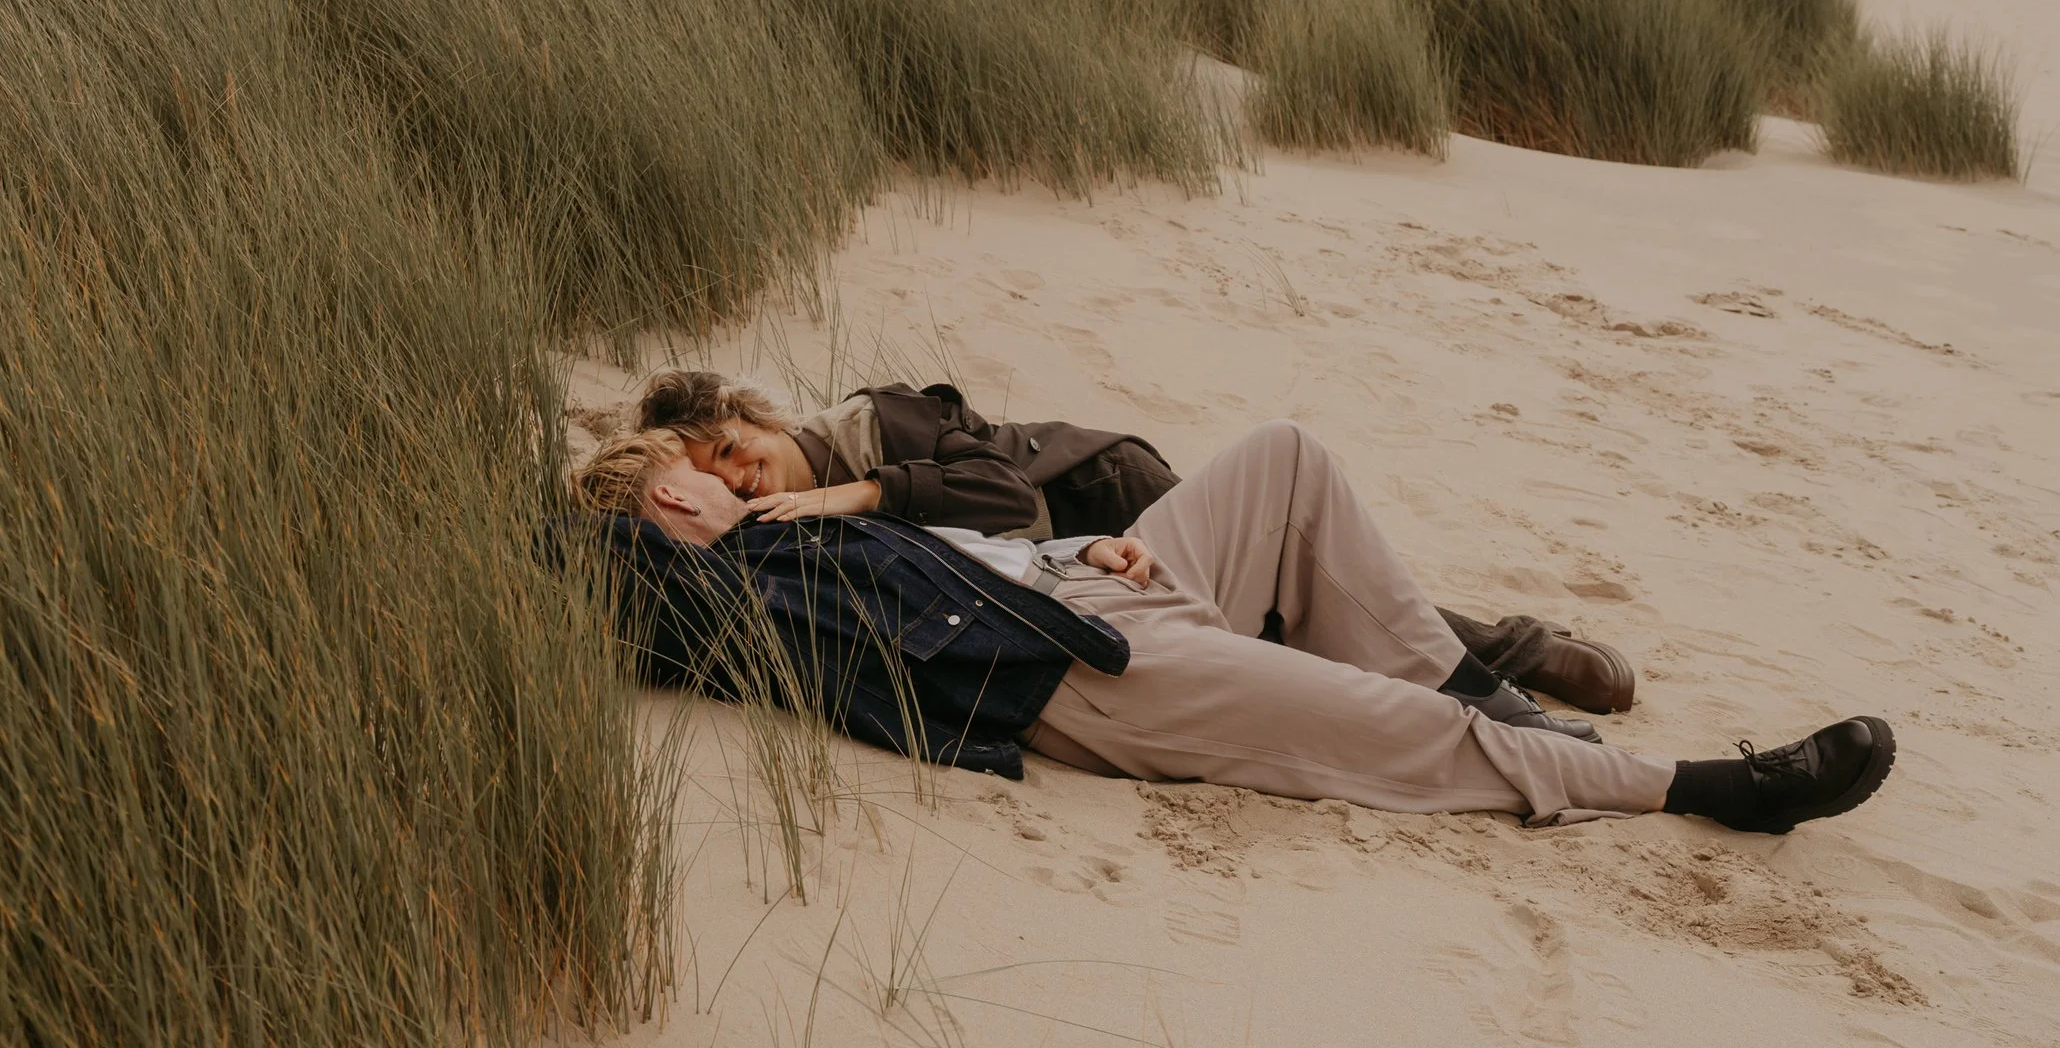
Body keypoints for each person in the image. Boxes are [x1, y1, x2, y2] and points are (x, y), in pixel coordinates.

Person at [564, 422, 1896, 834]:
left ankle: (1492, 688)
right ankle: (1710, 787)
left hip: (1079, 584)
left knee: (1288, 460)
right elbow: (583, 562)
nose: (705, 478)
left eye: (701, 466)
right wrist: (676, 523)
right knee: (1385, 732)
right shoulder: (705, 589)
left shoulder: (805, 523)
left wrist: (1084, 543)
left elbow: (984, 524)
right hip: (1074, 675)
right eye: (673, 479)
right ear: (653, 507)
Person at [630, 371, 1635, 718]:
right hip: (1083, 579)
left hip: (1104, 494)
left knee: (1305, 601)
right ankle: (1483, 668)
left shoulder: (871, 425)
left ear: (757, 421)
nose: (739, 476)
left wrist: (854, 496)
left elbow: (1000, 491)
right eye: (716, 478)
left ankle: (1510, 651)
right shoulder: (773, 539)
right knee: (1293, 627)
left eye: (735, 448)